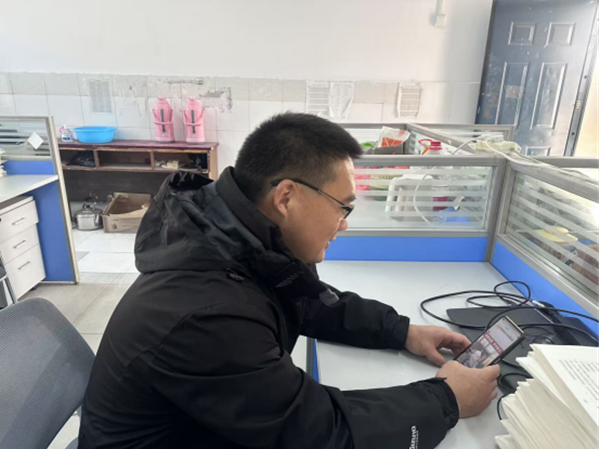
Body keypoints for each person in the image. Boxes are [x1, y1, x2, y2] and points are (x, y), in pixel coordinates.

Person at [78, 113, 500, 449]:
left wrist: (402, 331)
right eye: (343, 207)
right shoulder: (208, 313)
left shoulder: (235, 241)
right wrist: (446, 400)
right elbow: (318, 433)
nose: (344, 224)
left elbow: (309, 301)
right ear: (286, 197)